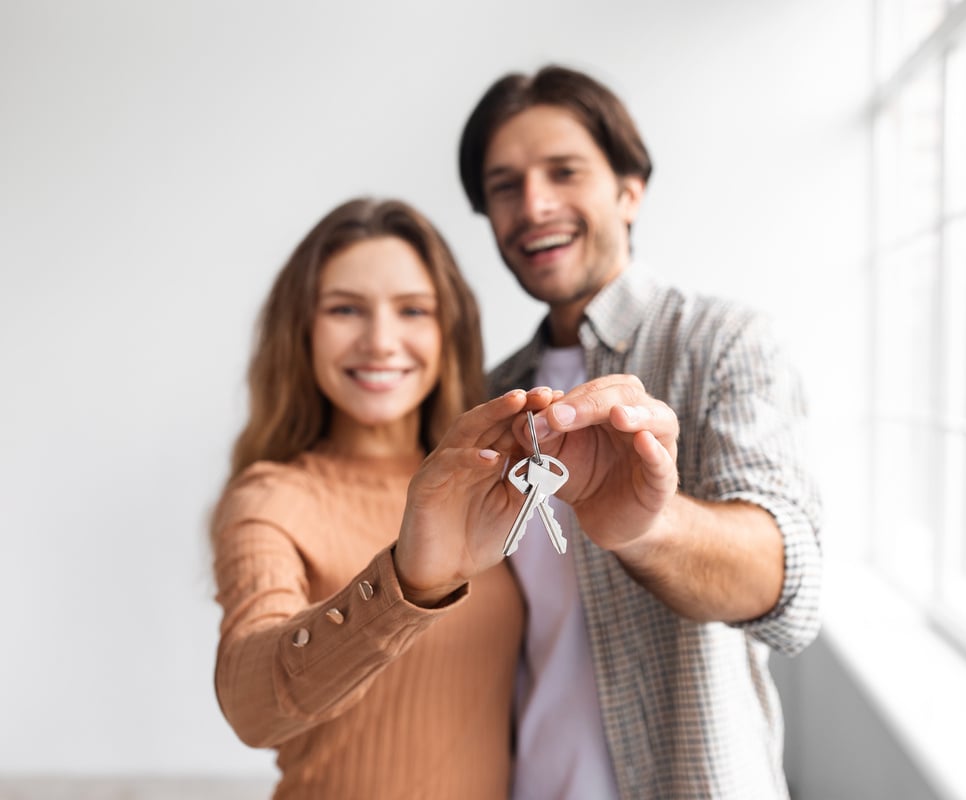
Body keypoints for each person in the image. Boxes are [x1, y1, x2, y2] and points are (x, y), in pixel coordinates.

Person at [458, 65, 824, 799]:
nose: (533, 205)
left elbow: (789, 586)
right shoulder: (489, 394)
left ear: (630, 189)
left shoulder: (722, 343)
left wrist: (646, 525)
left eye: (564, 171)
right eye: (505, 185)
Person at [209, 197, 557, 799]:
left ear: (449, 330)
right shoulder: (271, 499)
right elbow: (251, 708)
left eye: (413, 310)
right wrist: (405, 586)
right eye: (345, 309)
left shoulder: (501, 482)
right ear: (303, 331)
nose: (380, 341)